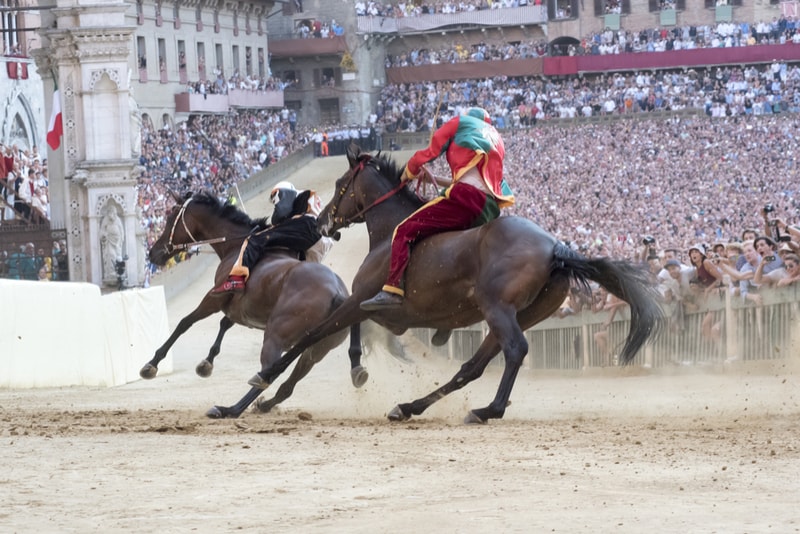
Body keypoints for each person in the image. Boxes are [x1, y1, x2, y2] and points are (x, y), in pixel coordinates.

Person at [361, 107, 515, 310]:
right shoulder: (495, 138)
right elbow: (476, 180)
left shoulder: (461, 122)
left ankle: (392, 290)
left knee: (403, 230)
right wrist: (431, 178)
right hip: (488, 207)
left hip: (466, 199)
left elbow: (430, 152)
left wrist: (409, 171)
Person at [211, 182, 326, 293]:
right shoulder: (303, 199)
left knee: (255, 239)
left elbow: (281, 213)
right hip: (319, 242)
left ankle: (237, 279)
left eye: (275, 201)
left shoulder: (285, 193)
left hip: (308, 228)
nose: (275, 203)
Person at [100, 205, 125, 280]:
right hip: (108, 241)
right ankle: (110, 273)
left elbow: (121, 230)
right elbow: (101, 230)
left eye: (113, 213)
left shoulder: (118, 220)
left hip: (117, 242)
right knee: (111, 255)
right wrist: (103, 235)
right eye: (110, 213)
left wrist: (121, 239)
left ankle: (117, 273)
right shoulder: (105, 220)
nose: (112, 215)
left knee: (117, 257)